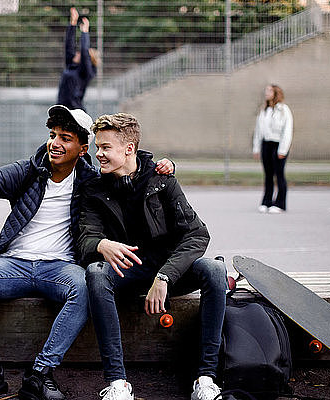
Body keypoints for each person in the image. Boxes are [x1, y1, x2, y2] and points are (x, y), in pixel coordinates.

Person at [0, 106, 174, 400]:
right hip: (13, 263)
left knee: (86, 285)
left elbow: (128, 165)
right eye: (52, 135)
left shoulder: (93, 181)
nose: (55, 143)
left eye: (65, 138)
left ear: (82, 148)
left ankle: (40, 373)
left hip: (60, 269)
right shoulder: (28, 171)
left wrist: (161, 165)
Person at [78, 113, 228, 400]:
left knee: (215, 270)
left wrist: (165, 276)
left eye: (105, 147)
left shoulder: (162, 181)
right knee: (96, 272)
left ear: (129, 149)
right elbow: (85, 238)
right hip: (127, 272)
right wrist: (101, 245)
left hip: (168, 271)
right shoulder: (94, 190)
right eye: (98, 147)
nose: (99, 154)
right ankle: (118, 384)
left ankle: (206, 380)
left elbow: (197, 234)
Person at [252, 84, 293, 214]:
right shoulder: (264, 110)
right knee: (268, 175)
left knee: (279, 175)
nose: (266, 93)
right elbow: (258, 131)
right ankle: (266, 201)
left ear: (276, 93)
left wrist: (283, 150)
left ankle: (280, 203)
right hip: (266, 144)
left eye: (269, 90)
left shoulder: (283, 110)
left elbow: (287, 130)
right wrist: (256, 148)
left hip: (278, 145)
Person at [57, 7, 100, 111]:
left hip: (75, 112)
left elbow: (85, 51)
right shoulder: (71, 66)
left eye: (80, 54)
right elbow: (69, 47)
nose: (76, 53)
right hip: (62, 109)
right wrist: (73, 23)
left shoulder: (85, 72)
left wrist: (85, 32)